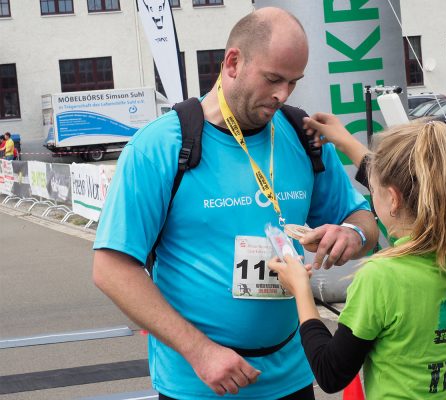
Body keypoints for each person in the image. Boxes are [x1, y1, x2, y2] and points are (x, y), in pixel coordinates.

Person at [92, 7, 378, 400]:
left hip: (292, 377)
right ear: (233, 62)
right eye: (273, 79)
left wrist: (352, 233)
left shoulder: (303, 136)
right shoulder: (161, 146)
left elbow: (364, 219)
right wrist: (200, 352)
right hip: (201, 383)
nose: (283, 95)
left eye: (293, 83)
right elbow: (111, 268)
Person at [269, 120, 446, 399]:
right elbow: (408, 183)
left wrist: (300, 289)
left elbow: (330, 373)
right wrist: (344, 140)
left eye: (374, 192)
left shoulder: (382, 277)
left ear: (394, 200)